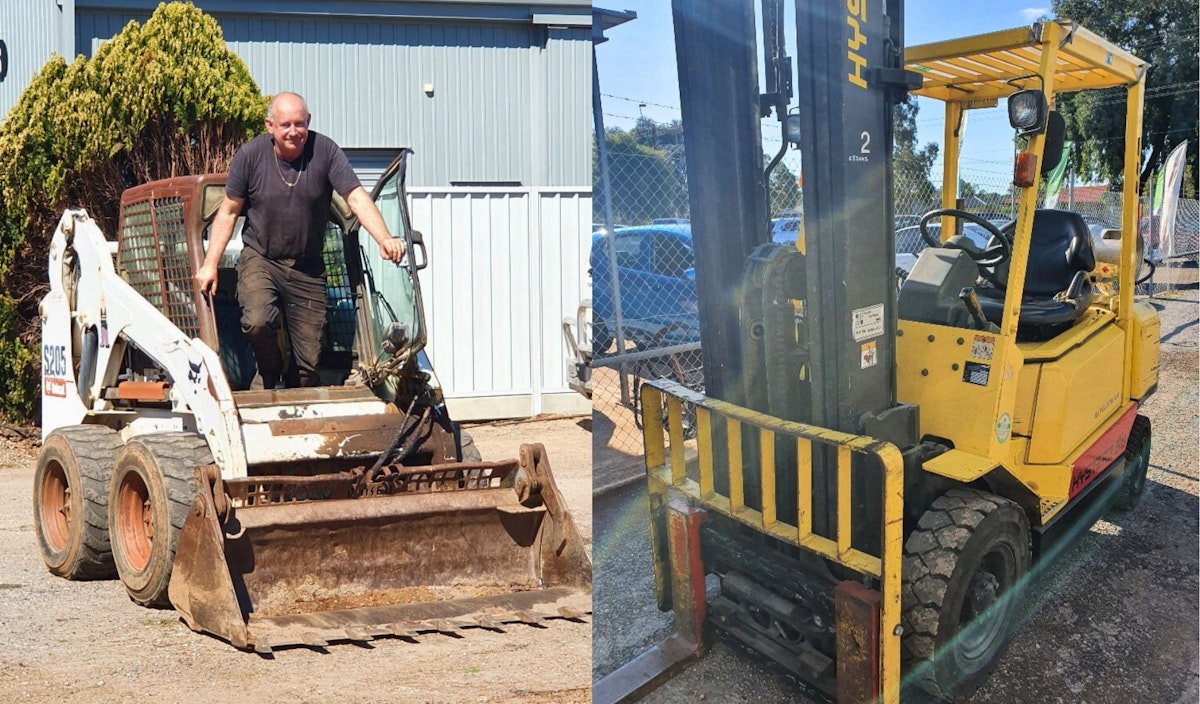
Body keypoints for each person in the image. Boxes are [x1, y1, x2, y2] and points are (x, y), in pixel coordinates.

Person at [195, 92, 404, 389]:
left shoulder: (326, 151)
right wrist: (210, 264)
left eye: (299, 124)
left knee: (308, 366)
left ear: (309, 122)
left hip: (308, 266)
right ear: (270, 126)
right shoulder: (250, 156)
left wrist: (384, 237)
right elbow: (228, 211)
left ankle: (296, 395)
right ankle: (268, 374)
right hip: (261, 258)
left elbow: (355, 197)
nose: (294, 132)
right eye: (285, 125)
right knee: (257, 320)